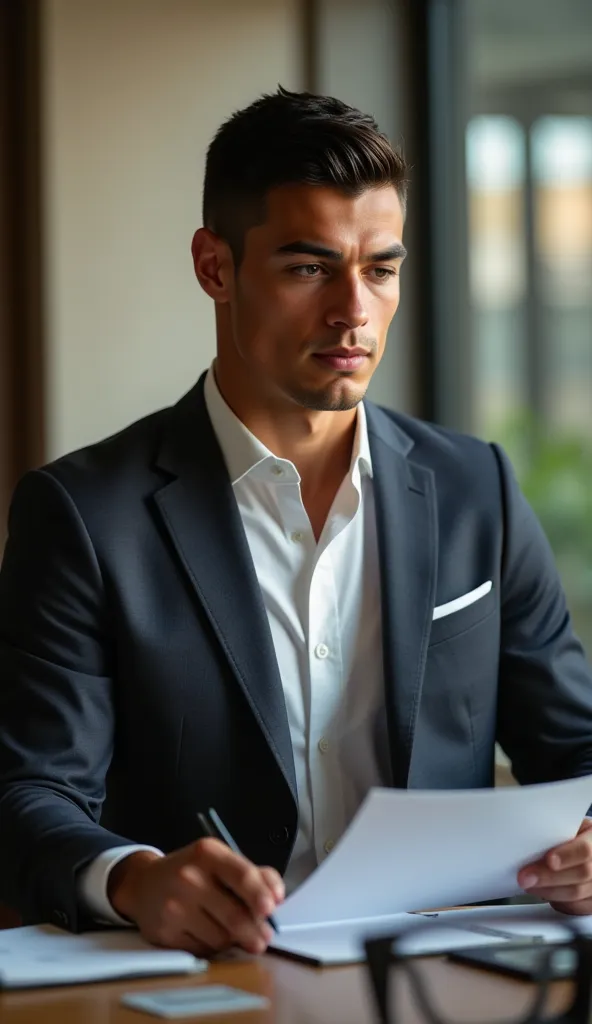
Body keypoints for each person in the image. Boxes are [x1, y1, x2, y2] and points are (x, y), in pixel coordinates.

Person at [1, 87, 592, 959]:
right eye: (308, 267)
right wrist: (131, 877)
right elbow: (27, 791)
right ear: (215, 267)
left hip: (438, 974)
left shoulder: (478, 491)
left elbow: (573, 744)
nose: (353, 309)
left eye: (380, 269)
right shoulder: (86, 516)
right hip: (214, 982)